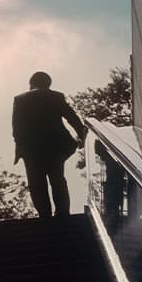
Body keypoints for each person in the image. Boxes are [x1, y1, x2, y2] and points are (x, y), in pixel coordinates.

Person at [12, 71, 86, 219]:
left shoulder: (20, 99)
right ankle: (62, 213)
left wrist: (21, 147)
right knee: (58, 179)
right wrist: (81, 135)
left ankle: (44, 215)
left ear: (31, 83)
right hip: (56, 147)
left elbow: (17, 127)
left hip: (32, 150)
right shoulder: (56, 96)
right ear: (48, 84)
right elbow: (71, 117)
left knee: (36, 184)